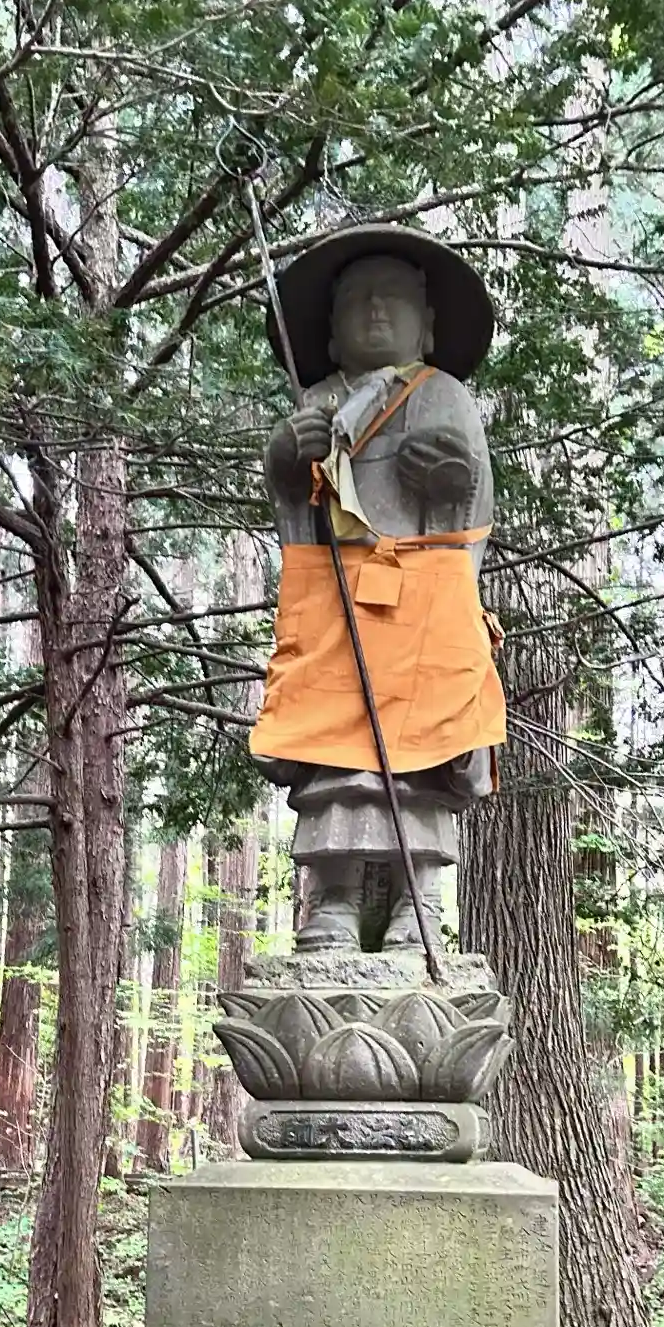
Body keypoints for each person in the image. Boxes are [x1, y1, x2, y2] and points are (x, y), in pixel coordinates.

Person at [251, 224, 507, 952]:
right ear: (330, 334)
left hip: (423, 606)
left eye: (391, 297)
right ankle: (331, 897)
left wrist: (451, 482)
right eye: (356, 299)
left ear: (426, 326)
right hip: (340, 605)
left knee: (422, 754)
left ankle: (418, 900)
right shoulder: (318, 400)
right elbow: (290, 499)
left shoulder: (444, 396)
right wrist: (288, 458)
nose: (373, 311)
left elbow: (473, 507)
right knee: (337, 750)